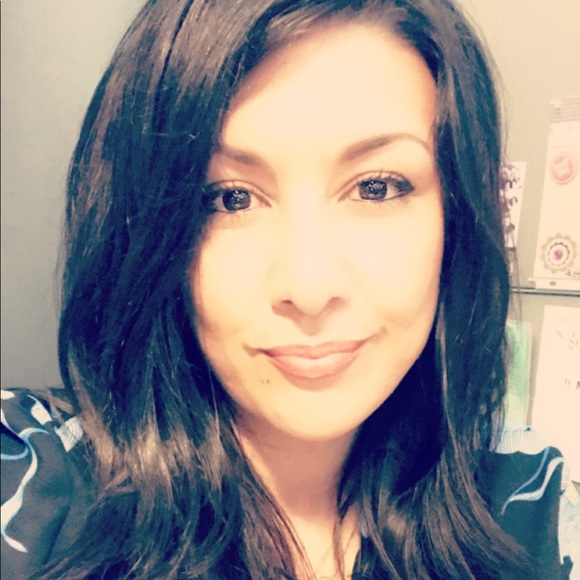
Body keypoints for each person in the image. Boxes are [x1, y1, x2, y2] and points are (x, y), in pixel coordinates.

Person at [1, 0, 577, 578]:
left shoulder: (526, 498)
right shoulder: (31, 483)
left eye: (376, 188)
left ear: (456, 215)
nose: (309, 287)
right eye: (231, 198)